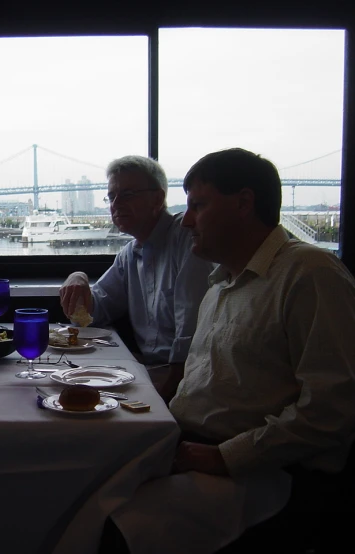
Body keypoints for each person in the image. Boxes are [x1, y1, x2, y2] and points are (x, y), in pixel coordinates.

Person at [104, 148, 355, 554]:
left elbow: (331, 414)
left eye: (198, 206)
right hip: (191, 444)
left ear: (243, 204)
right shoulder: (221, 284)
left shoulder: (310, 274)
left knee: (117, 527)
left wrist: (222, 458)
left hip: (267, 472)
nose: (185, 221)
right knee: (80, 483)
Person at [59, 155, 215, 399]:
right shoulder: (129, 255)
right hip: (147, 370)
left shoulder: (187, 240)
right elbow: (95, 311)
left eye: (128, 194)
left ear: (158, 199)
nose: (116, 204)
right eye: (111, 197)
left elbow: (191, 334)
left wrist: (166, 395)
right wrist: (77, 277)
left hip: (188, 377)